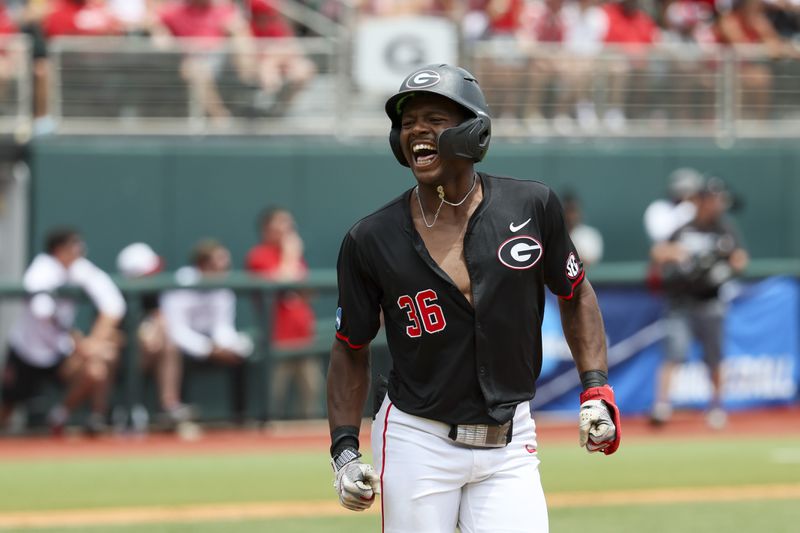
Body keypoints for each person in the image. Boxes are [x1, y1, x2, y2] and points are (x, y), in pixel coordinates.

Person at [326, 64, 621, 531]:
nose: (416, 131)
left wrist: (597, 388)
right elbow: (350, 347)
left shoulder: (531, 205)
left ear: (473, 129)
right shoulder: (370, 238)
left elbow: (575, 291)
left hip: (509, 438)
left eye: (433, 119)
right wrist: (343, 449)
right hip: (417, 437)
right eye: (407, 123)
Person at [0, 227, 125, 435]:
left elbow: (113, 304)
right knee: (6, 408)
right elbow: (42, 311)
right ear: (59, 249)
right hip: (28, 351)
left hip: (59, 351)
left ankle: (60, 418)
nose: (80, 251)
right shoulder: (41, 270)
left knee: (96, 369)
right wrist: (76, 340)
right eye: (75, 246)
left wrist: (94, 341)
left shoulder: (79, 268)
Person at [649, 177, 749, 429]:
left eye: (718, 200)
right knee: (673, 353)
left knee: (714, 357)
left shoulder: (724, 229)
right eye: (710, 199)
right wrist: (679, 253)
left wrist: (724, 264)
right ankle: (662, 407)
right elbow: (658, 251)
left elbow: (740, 260)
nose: (715, 204)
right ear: (700, 201)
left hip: (710, 300)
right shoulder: (685, 227)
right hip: (681, 300)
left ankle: (716, 407)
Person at [160, 240, 253, 422]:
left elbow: (223, 326)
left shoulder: (223, 287)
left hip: (212, 345)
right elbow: (176, 329)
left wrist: (224, 347)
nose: (224, 269)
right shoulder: (181, 283)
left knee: (240, 354)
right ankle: (176, 413)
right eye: (219, 264)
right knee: (172, 352)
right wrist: (207, 348)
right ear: (202, 264)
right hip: (184, 346)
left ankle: (241, 418)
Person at [246, 207, 322, 419]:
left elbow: (306, 292)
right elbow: (282, 279)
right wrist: (292, 254)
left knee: (311, 396)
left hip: (304, 337)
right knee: (273, 401)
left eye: (289, 224)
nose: (287, 229)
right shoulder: (259, 255)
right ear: (267, 229)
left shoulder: (291, 256)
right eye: (281, 223)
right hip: (277, 339)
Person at [116, 242, 193, 428]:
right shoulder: (115, 295)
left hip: (149, 353)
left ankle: (169, 405)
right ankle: (123, 408)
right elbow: (109, 334)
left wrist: (155, 334)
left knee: (169, 344)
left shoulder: (151, 294)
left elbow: (160, 318)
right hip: (122, 357)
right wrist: (135, 340)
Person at [562, 191, 604, 268]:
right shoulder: (554, 234)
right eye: (567, 211)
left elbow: (588, 262)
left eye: (573, 211)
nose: (570, 216)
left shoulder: (591, 234)